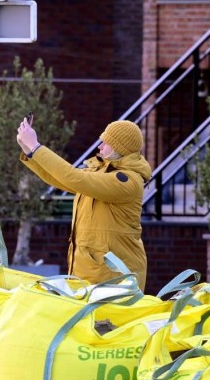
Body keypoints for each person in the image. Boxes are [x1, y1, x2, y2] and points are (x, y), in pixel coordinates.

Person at [17, 117, 151, 287]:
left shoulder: (127, 181)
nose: (100, 146)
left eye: (105, 142)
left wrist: (36, 147)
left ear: (119, 148)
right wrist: (29, 151)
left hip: (113, 278)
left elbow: (74, 177)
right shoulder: (103, 172)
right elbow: (62, 180)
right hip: (91, 273)